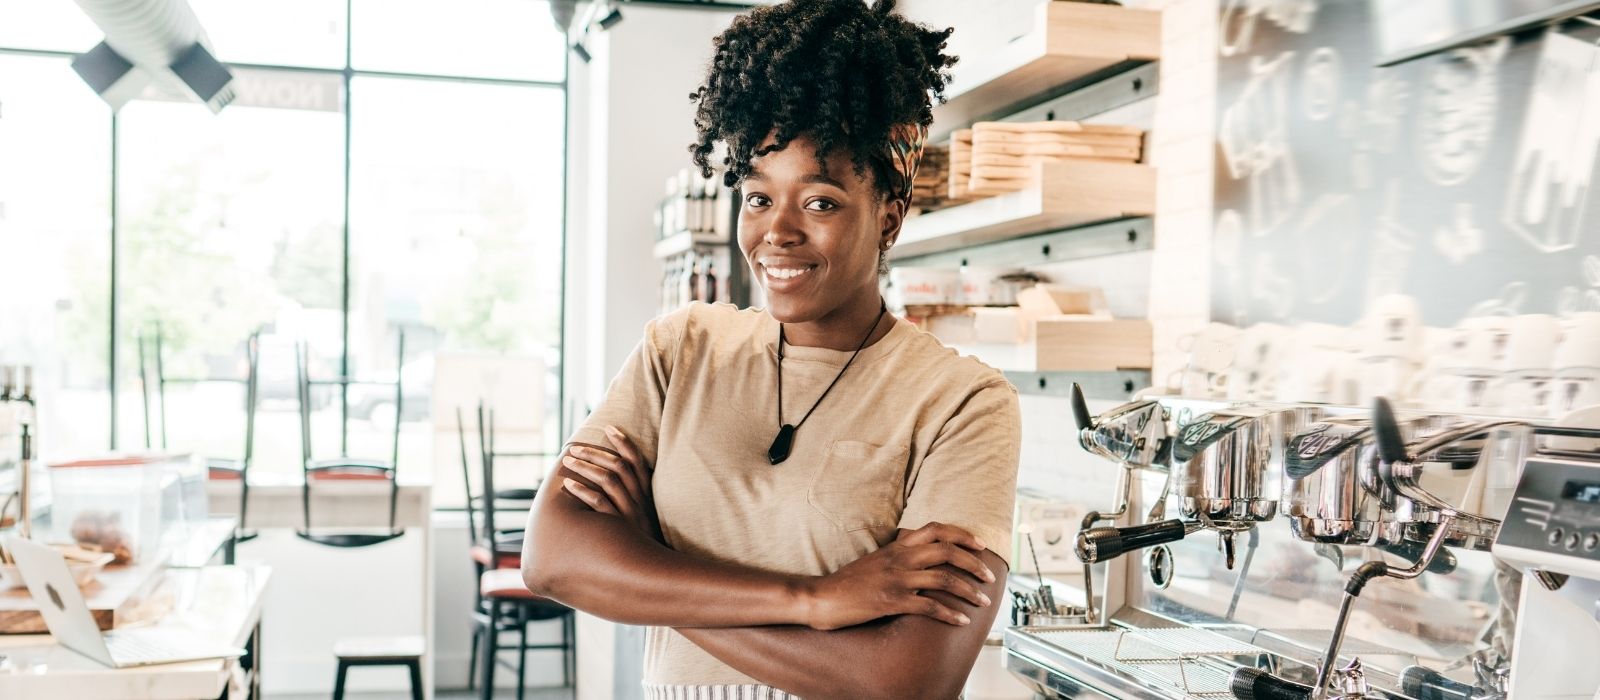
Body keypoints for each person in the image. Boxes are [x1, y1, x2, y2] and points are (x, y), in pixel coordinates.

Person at [522, 1, 1021, 697]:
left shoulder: (962, 403)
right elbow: (551, 559)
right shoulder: (680, 351)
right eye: (758, 198)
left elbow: (905, 683)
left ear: (889, 216)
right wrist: (813, 599)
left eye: (819, 202)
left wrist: (647, 565)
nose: (777, 232)